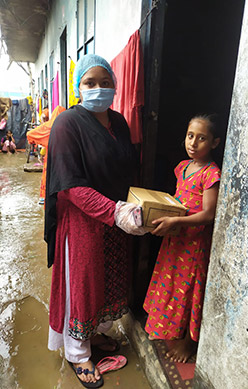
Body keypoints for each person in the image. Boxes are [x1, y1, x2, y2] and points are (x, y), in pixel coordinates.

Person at [45, 54, 145, 388]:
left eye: (106, 82)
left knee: (110, 280)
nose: (99, 89)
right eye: (90, 83)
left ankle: (96, 335)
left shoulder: (118, 123)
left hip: (117, 222)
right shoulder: (66, 125)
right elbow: (70, 185)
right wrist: (115, 212)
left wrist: (132, 208)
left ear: (115, 86)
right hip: (86, 221)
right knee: (84, 285)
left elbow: (129, 166)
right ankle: (78, 352)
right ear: (78, 88)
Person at [143, 115, 221, 363]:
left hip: (194, 244)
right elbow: (179, 200)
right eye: (190, 136)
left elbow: (208, 215)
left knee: (190, 289)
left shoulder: (211, 174)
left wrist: (176, 221)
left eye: (202, 138)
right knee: (172, 284)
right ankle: (173, 329)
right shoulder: (183, 167)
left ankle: (190, 342)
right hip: (175, 240)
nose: (194, 143)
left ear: (215, 143)